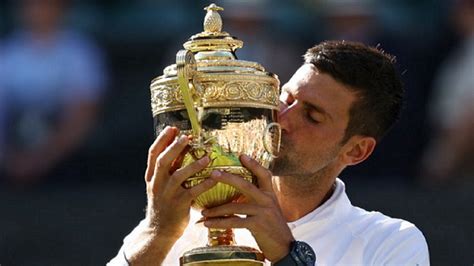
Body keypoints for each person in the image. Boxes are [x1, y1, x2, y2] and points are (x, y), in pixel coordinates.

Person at [108, 41, 429, 265]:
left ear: (357, 150)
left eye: (312, 116)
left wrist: (286, 256)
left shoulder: (390, 242)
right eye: (285, 98)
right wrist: (156, 231)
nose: (282, 119)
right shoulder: (179, 222)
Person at [0, 0, 106, 185]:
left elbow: (83, 116)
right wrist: (8, 158)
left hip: (66, 165)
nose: (39, 10)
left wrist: (43, 159)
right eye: (32, 4)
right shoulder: (7, 54)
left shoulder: (80, 52)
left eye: (47, 4)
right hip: (11, 160)